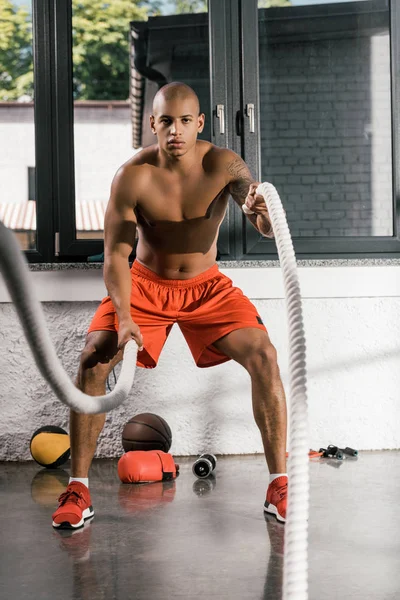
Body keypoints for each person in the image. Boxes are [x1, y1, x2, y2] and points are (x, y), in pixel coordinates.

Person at [52, 82, 288, 529]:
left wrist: (262, 211)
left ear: (199, 123)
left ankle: (279, 485)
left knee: (265, 355)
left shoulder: (224, 164)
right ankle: (78, 489)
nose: (175, 131)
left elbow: (262, 224)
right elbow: (116, 255)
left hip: (206, 287)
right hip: (143, 285)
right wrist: (123, 317)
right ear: (152, 124)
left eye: (184, 121)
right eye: (166, 122)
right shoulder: (133, 175)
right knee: (94, 356)